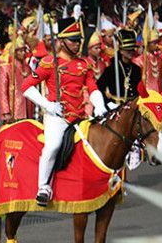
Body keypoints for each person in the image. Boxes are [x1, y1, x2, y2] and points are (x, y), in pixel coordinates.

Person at [21, 17, 107, 207]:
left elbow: (91, 87)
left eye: (78, 40)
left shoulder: (84, 64)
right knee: (52, 146)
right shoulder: (49, 63)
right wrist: (48, 105)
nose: (77, 44)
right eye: (73, 40)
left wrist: (99, 104)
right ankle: (43, 187)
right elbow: (26, 87)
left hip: (80, 116)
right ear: (61, 41)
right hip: (57, 117)